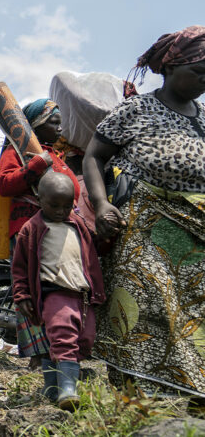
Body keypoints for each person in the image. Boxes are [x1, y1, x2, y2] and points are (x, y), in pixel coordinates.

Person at [84, 25, 205, 397]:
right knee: (147, 304)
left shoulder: (203, 118)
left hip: (195, 232)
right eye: (197, 72)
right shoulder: (137, 109)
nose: (204, 81)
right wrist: (101, 204)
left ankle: (187, 395)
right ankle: (137, 396)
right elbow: (93, 156)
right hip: (144, 225)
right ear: (170, 69)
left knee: (191, 315)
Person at [0, 99, 80, 369]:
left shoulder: (55, 155)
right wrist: (35, 166)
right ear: (36, 126)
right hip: (28, 231)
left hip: (59, 231)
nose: (60, 128)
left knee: (57, 290)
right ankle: (38, 356)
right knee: (31, 290)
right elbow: (5, 184)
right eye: (54, 123)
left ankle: (59, 351)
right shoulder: (18, 151)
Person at [11, 173, 104, 410]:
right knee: (63, 337)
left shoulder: (79, 224)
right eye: (55, 205)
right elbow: (19, 268)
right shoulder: (31, 229)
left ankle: (52, 388)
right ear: (40, 199)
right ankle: (67, 390)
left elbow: (93, 253)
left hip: (82, 295)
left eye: (67, 205)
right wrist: (22, 296)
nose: (62, 211)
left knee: (85, 338)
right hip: (55, 293)